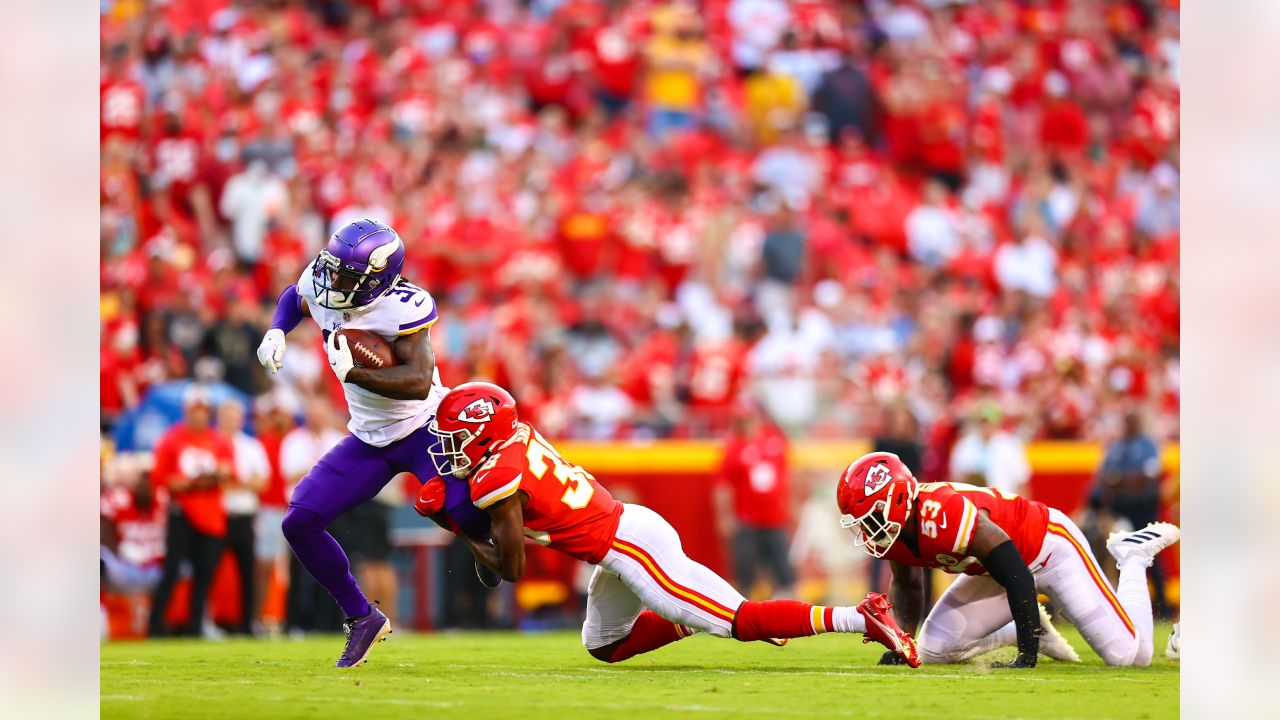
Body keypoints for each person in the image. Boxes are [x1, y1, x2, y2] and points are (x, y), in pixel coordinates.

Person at [415, 382, 920, 666]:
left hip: (630, 549)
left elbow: (508, 569)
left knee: (741, 622)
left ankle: (862, 615)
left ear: (484, 434)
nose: (447, 447)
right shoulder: (515, 439)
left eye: (456, 436)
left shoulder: (496, 479)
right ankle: (687, 616)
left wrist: (454, 524)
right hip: (622, 536)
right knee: (604, 645)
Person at [256, 218, 488, 666]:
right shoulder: (328, 280)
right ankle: (362, 617)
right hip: (368, 437)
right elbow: (296, 296)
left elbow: (419, 381)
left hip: (424, 428)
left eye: (346, 275)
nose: (332, 281)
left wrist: (355, 374)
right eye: (332, 268)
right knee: (299, 522)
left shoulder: (402, 306)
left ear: (377, 281)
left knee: (464, 514)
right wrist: (277, 330)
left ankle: (490, 544)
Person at [837, 451, 1179, 668]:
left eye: (870, 516)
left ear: (896, 500)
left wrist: (1026, 655)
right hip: (996, 567)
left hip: (1048, 549)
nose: (868, 528)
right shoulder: (895, 531)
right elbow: (909, 584)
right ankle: (1017, 630)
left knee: (1130, 656)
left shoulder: (941, 512)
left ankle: (1132, 555)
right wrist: (903, 644)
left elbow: (1016, 569)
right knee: (931, 651)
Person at [148, 385, 234, 637]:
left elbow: (227, 473)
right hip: (182, 513)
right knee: (172, 571)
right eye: (194, 410)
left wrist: (194, 482)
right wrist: (201, 480)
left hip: (212, 516)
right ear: (186, 411)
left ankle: (195, 627)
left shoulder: (218, 440)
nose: (199, 415)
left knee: (205, 575)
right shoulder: (172, 438)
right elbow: (165, 479)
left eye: (203, 410)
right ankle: (156, 625)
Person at [1090, 409, 1171, 618]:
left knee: (1152, 556)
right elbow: (1106, 477)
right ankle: (1116, 608)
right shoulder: (1117, 447)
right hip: (1121, 509)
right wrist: (1126, 481)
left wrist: (1120, 481)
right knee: (1116, 555)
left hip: (1143, 507)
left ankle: (1163, 606)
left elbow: (1149, 476)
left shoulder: (1147, 445)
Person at [715, 402, 795, 598]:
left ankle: (786, 608)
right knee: (745, 570)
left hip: (775, 518)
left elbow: (787, 475)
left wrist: (792, 505)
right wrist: (724, 517)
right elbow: (723, 487)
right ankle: (744, 609)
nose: (746, 424)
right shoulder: (733, 449)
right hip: (747, 519)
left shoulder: (774, 441)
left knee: (782, 567)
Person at [217, 398, 270, 635]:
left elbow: (263, 482)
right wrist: (245, 483)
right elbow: (219, 484)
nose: (230, 422)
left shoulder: (251, 446)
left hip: (244, 515)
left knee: (248, 572)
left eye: (234, 417)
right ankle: (207, 621)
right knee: (209, 571)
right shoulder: (212, 443)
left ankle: (247, 623)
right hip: (217, 514)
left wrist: (235, 483)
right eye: (226, 417)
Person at [948, 403, 1030, 497]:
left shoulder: (1010, 445)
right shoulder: (964, 445)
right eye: (983, 423)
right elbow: (955, 477)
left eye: (989, 423)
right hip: (971, 501)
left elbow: (1021, 482)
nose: (986, 427)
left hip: (1003, 501)